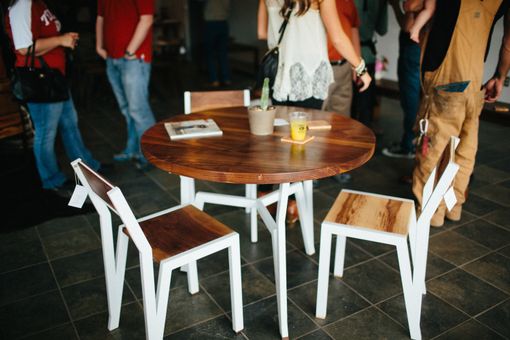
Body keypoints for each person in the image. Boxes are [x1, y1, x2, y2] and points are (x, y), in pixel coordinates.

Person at [411, 0, 510, 227]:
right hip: (475, 82)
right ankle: (453, 207)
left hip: (445, 78)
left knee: (433, 148)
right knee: (465, 149)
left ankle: (430, 213)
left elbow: (412, 5)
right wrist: (500, 76)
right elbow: (508, 42)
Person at [5, 0, 101, 194]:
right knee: (46, 133)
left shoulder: (37, 3)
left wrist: (63, 39)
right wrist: (60, 40)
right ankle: (51, 179)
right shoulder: (22, 4)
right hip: (42, 81)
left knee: (70, 124)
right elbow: (24, 49)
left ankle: (88, 168)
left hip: (55, 79)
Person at [257, 0, 371, 110]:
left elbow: (261, 33)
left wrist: (289, 43)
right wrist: (361, 69)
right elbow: (338, 39)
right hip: (308, 73)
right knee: (304, 126)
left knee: (282, 124)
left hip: (278, 72)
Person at [96, 0, 156, 169]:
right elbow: (100, 18)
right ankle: (132, 149)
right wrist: (99, 45)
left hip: (133, 58)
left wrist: (130, 50)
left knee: (138, 109)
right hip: (111, 57)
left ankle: (150, 155)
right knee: (126, 109)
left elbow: (147, 19)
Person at [382, 0, 422, 159]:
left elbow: (408, 18)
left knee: (410, 99)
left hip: (413, 47)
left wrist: (397, 5)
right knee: (416, 98)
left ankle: (409, 145)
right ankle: (415, 143)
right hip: (420, 46)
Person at [352, 0, 388, 129]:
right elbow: (382, 29)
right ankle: (364, 142)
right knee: (365, 107)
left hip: (347, 56)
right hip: (368, 56)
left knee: (347, 106)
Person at [322, 0, 361, 116]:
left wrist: (356, 62)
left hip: (344, 65)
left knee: (341, 118)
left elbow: (354, 28)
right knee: (317, 117)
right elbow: (337, 38)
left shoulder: (348, 2)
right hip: (324, 66)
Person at [204, 0, 231, 87]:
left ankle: (214, 80)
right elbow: (228, 7)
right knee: (223, 53)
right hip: (223, 22)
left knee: (210, 53)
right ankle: (226, 78)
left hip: (211, 23)